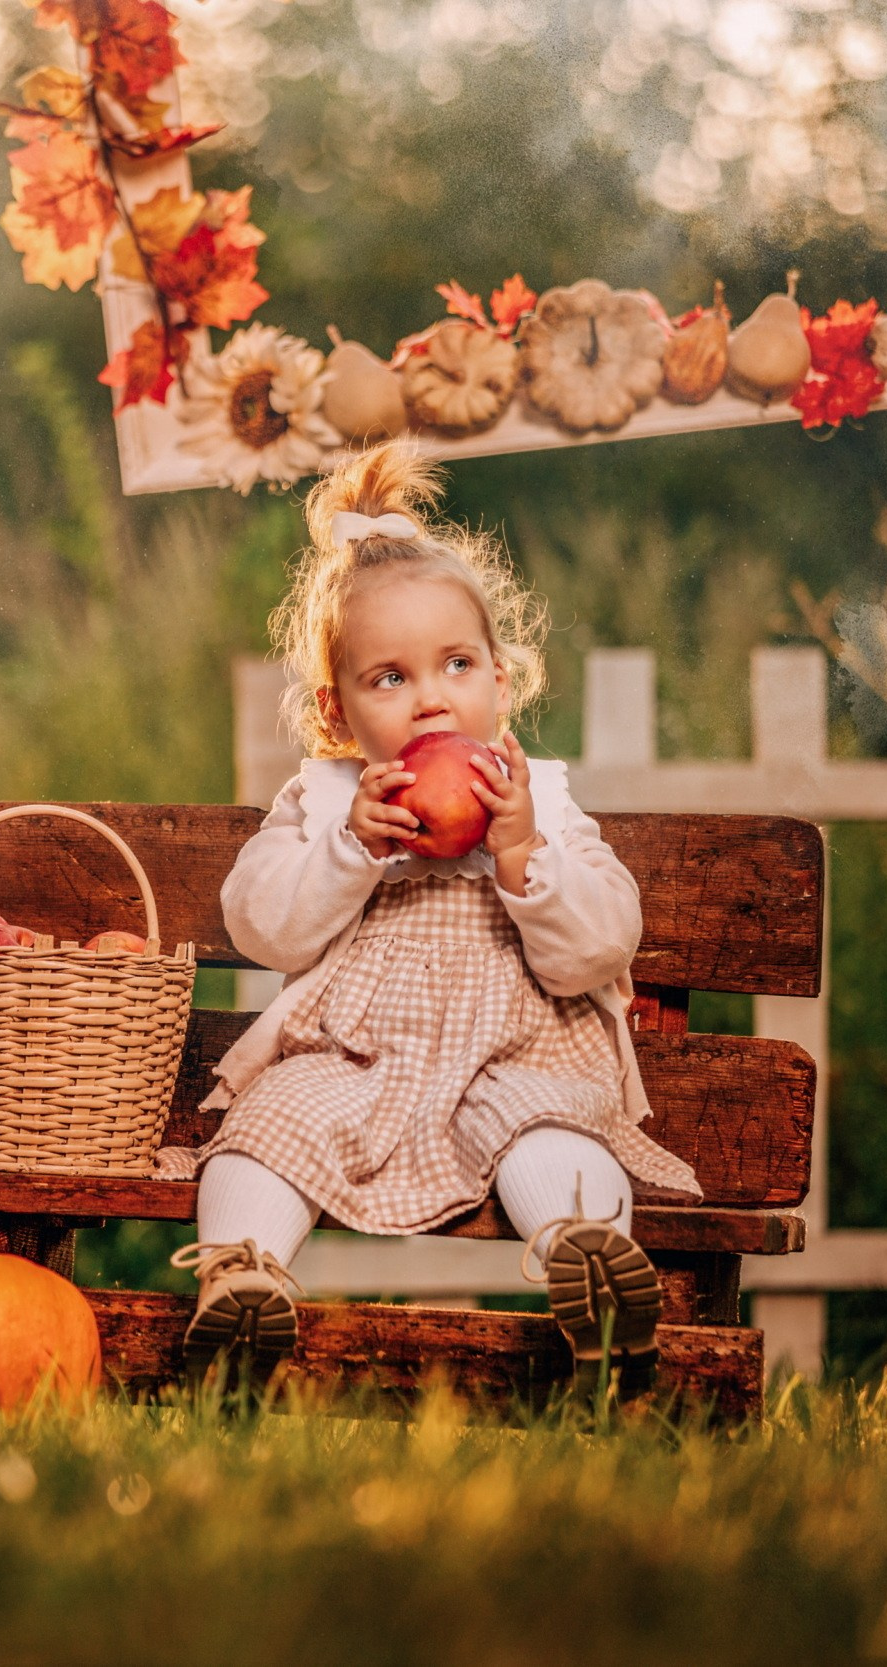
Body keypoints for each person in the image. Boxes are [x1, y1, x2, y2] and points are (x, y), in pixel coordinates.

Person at [158, 441, 701, 1391]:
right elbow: (260, 925)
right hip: (359, 1065)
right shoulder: (328, 803)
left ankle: (586, 1256)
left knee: (554, 1132)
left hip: (515, 1059)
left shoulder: (544, 803)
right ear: (338, 708)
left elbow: (601, 945)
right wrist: (351, 851)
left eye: (456, 664)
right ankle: (241, 1279)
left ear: (500, 675)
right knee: (268, 1122)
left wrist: (524, 853)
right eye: (391, 678)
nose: (432, 698)